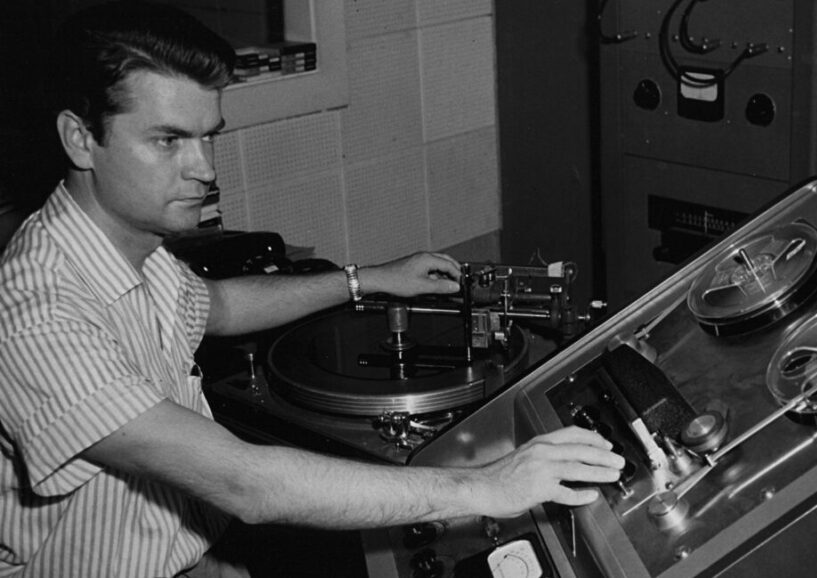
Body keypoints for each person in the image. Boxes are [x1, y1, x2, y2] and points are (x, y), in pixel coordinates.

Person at [0, 2, 623, 576]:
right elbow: (245, 482)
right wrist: (486, 485)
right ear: (80, 138)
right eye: (168, 141)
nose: (205, 170)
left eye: (208, 135)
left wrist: (367, 279)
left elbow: (220, 306)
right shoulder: (39, 312)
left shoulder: (132, 247)